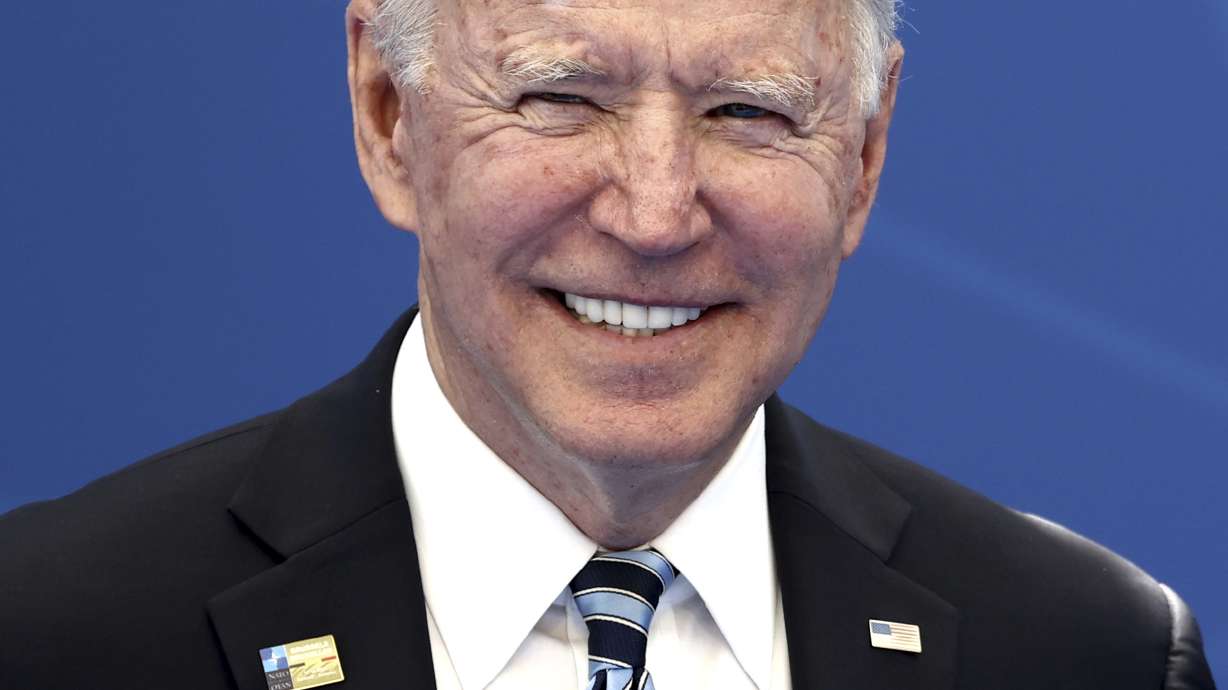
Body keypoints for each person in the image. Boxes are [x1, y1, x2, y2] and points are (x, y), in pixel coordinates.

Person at [0, 0, 1215, 687]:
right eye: (559, 99)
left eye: (748, 111)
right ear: (387, 115)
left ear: (864, 153)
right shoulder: (48, 636)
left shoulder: (1086, 653)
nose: (653, 213)